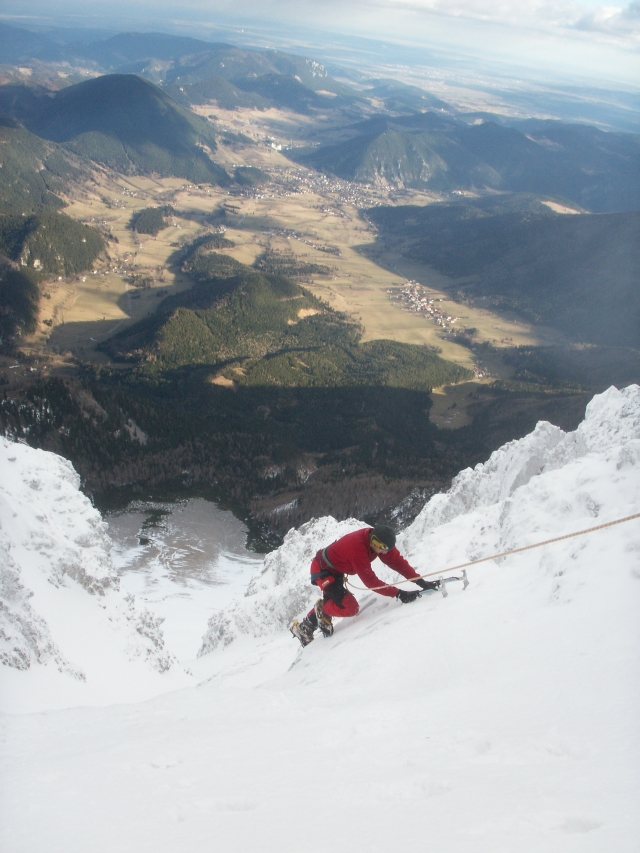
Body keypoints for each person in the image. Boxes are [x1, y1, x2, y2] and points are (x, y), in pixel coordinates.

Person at [290, 524, 440, 647]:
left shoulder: (380, 541)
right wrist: (399, 593)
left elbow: (397, 562)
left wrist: (420, 581)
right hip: (323, 571)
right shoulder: (358, 548)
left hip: (334, 569)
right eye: (382, 548)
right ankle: (321, 610)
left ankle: (304, 628)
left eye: (386, 549)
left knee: (338, 600)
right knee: (350, 607)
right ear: (375, 542)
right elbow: (371, 582)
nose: (384, 552)